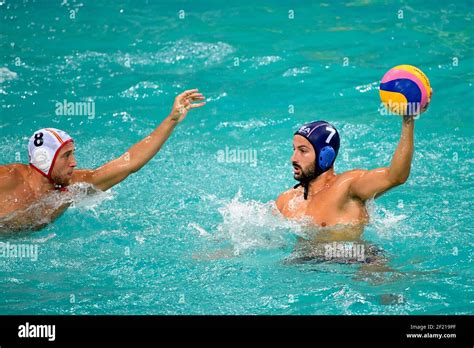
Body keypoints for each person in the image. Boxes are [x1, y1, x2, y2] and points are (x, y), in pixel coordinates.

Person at [0, 89, 205, 232]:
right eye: (66, 156)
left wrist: (172, 120)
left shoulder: (70, 186)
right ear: (44, 159)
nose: (74, 162)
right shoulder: (8, 179)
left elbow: (129, 163)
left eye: (73, 153)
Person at [276, 92, 432, 264]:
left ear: (325, 155)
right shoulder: (287, 200)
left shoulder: (347, 187)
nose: (293, 158)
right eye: (293, 149)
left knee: (378, 281)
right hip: (307, 263)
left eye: (303, 151)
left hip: (358, 259)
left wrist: (408, 121)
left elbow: (396, 176)